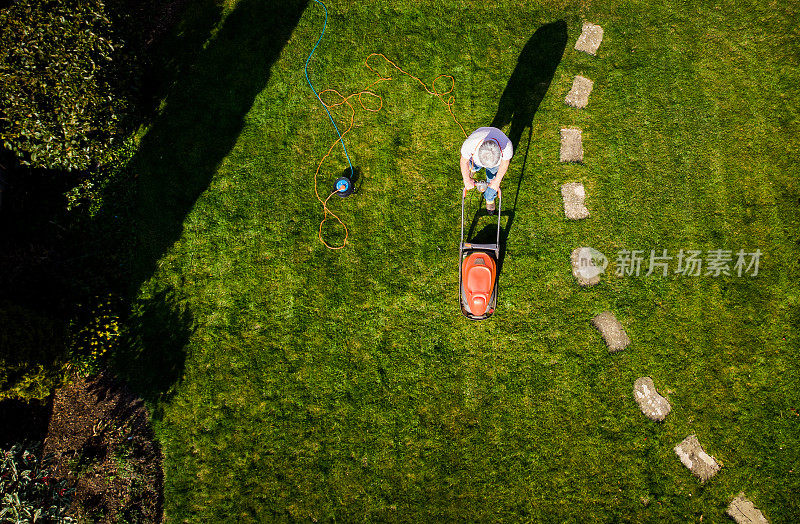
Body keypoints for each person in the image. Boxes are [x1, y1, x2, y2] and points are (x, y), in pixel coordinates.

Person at [459, 126, 513, 213]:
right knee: (473, 165)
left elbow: (504, 164)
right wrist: (466, 179)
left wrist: (496, 182)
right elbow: (463, 161)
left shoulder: (507, 147)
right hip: (476, 159)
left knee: (493, 178)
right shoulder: (470, 144)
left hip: (495, 165)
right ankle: (474, 169)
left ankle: (489, 198)